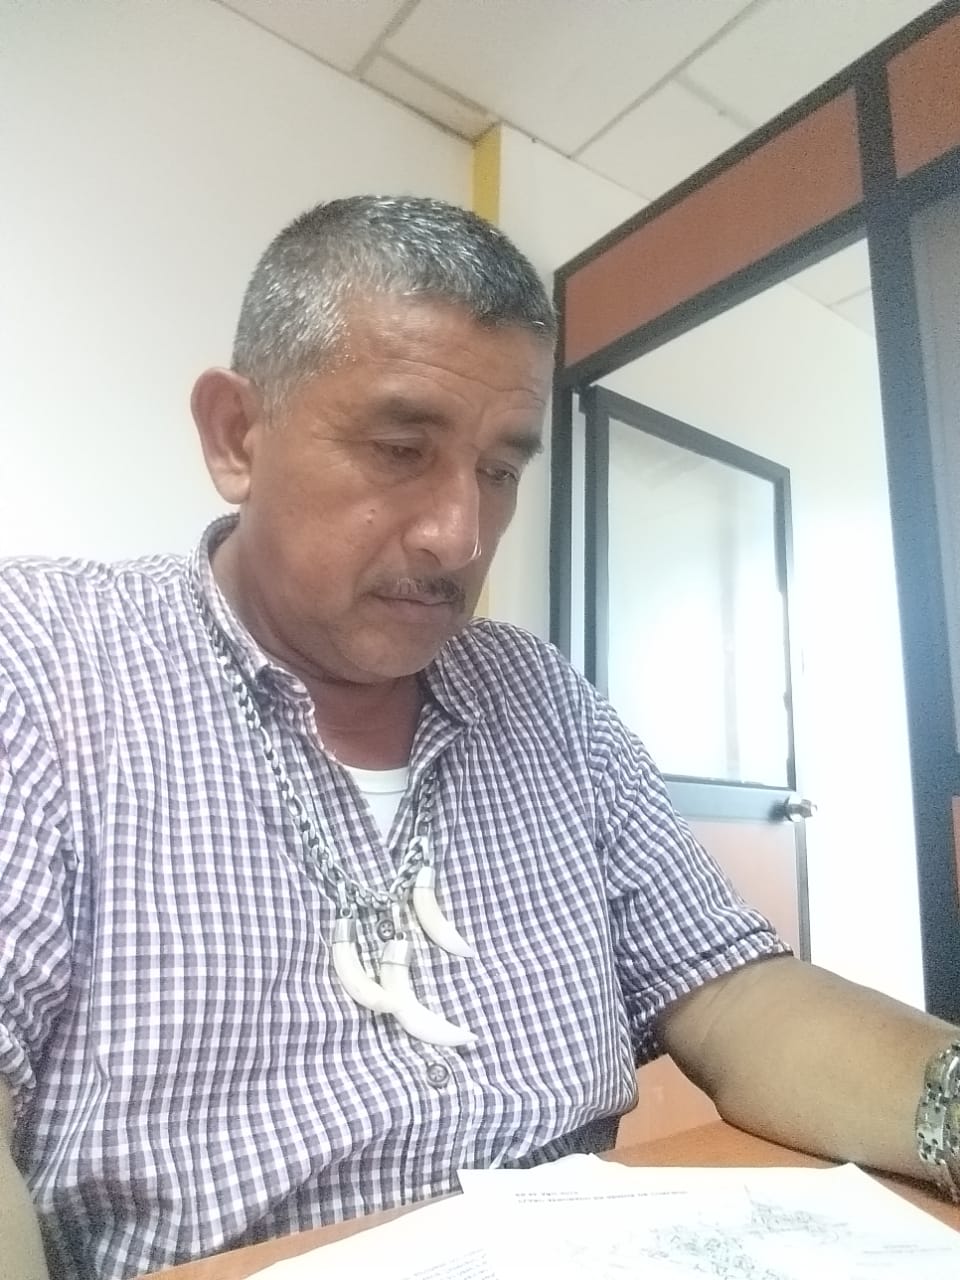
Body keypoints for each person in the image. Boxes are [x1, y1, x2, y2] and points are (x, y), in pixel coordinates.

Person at [0, 196, 957, 1280]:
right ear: (237, 435)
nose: (460, 535)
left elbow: (736, 994)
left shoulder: (542, 700)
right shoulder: (45, 666)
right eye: (399, 449)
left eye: (500, 469)